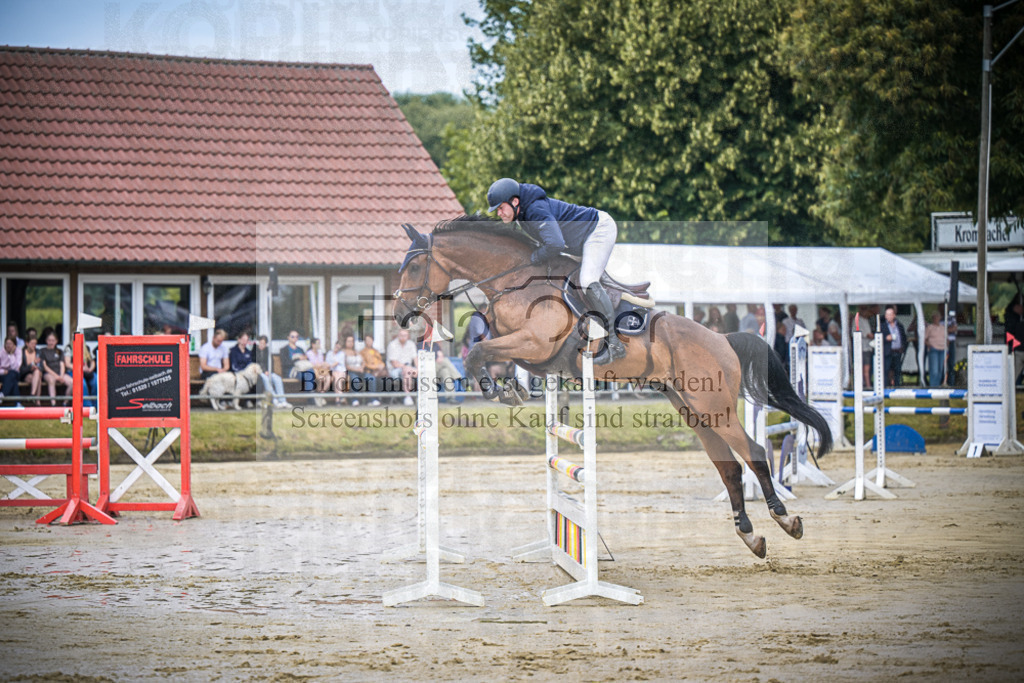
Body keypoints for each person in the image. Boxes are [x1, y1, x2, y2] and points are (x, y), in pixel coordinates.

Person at [486, 177, 626, 363]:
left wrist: (535, 257)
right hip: (579, 241)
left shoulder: (534, 210)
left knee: (587, 282)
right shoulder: (522, 214)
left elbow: (556, 244)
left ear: (515, 202)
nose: (499, 213)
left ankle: (615, 343)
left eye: (501, 208)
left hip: (598, 230)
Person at [252, 335, 290, 409]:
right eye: (261, 343)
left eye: (264, 343)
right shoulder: (254, 351)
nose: (262, 345)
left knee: (277, 378)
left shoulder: (267, 351)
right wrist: (263, 371)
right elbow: (255, 363)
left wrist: (269, 371)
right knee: (266, 380)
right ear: (258, 343)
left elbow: (271, 363)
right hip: (259, 372)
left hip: (268, 372)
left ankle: (282, 400)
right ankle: (275, 400)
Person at [342, 334, 380, 405]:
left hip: (361, 371)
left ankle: (372, 399)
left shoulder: (356, 351)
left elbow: (363, 362)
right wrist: (356, 369)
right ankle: (354, 399)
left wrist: (362, 367)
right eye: (349, 341)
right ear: (345, 342)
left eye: (352, 341)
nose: (351, 343)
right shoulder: (343, 352)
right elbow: (345, 365)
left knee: (371, 378)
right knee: (355, 380)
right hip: (350, 371)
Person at [38, 331, 72, 405]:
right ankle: (53, 404)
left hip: (60, 373)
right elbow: (45, 366)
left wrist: (61, 376)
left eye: (53, 340)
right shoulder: (42, 351)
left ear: (56, 341)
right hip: (48, 373)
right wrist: (57, 376)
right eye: (49, 340)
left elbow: (62, 364)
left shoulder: (59, 351)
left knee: (72, 382)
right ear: (46, 341)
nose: (51, 342)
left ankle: (65, 403)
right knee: (51, 380)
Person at [386, 328, 418, 406]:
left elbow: (415, 358)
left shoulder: (411, 344)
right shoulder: (392, 345)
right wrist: (406, 367)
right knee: (407, 371)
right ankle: (407, 396)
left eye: (405, 335)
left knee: (422, 372)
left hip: (409, 369)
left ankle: (423, 397)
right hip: (395, 371)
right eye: (401, 335)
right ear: (398, 335)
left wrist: (418, 368)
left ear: (408, 336)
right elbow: (394, 363)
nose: (403, 337)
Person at [881, 305, 907, 387]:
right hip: (888, 352)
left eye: (890, 314)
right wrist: (885, 338)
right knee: (886, 370)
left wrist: (903, 348)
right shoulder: (882, 327)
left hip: (897, 351)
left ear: (894, 315)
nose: (888, 316)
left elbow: (904, 337)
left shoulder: (899, 325)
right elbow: (878, 338)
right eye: (887, 314)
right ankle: (885, 387)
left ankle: (897, 387)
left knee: (897, 370)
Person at [923, 311, 947, 387]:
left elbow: (947, 338)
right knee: (934, 370)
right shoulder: (929, 327)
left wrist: (947, 346)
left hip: (943, 350)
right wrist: (929, 345)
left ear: (940, 318)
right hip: (934, 349)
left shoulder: (943, 327)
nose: (936, 319)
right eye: (934, 317)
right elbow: (924, 339)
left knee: (940, 370)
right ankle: (933, 386)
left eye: (937, 317)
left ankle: (938, 386)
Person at [19, 334, 42, 400]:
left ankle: (32, 394)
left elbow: (42, 366)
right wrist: (31, 365)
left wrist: (36, 367)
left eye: (35, 343)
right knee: (38, 380)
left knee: (37, 372)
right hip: (26, 375)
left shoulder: (38, 352)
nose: (34, 345)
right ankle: (37, 402)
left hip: (38, 373)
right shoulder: (22, 353)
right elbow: (21, 370)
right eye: (32, 343)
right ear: (27, 343)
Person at [0, 337, 21, 401]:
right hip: (3, 374)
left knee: (12, 373)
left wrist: (11, 354)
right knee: (13, 381)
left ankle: (3, 394)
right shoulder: (1, 352)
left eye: (10, 344)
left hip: (15, 373)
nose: (8, 346)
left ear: (14, 345)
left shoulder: (18, 351)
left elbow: (15, 368)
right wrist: (3, 371)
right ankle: (18, 403)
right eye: (7, 344)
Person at [79, 343, 98, 408]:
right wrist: (80, 368)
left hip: (88, 372)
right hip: (76, 371)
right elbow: (67, 364)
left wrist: (90, 369)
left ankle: (97, 406)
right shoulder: (69, 348)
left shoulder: (87, 347)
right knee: (82, 384)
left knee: (97, 382)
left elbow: (92, 361)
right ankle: (88, 407)